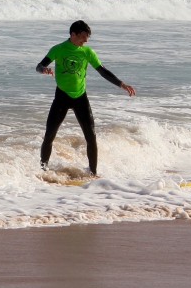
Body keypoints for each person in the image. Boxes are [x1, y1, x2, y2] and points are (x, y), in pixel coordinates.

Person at [36, 20, 136, 176]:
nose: (86, 40)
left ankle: (93, 173)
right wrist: (44, 70)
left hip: (80, 97)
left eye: (88, 37)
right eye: (83, 36)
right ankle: (43, 170)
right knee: (49, 135)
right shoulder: (58, 49)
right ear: (73, 34)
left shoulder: (88, 52)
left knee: (91, 136)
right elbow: (39, 66)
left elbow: (103, 71)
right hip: (61, 96)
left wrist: (121, 84)